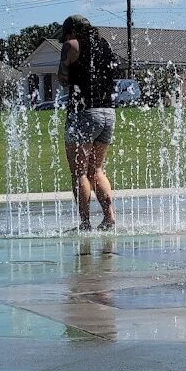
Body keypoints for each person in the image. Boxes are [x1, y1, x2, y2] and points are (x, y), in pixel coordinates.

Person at [57, 14, 117, 231]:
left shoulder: (71, 45)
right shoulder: (105, 45)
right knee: (97, 170)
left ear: (71, 31)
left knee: (80, 172)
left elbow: (62, 77)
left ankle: (85, 223)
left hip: (83, 113)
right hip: (108, 112)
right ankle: (109, 218)